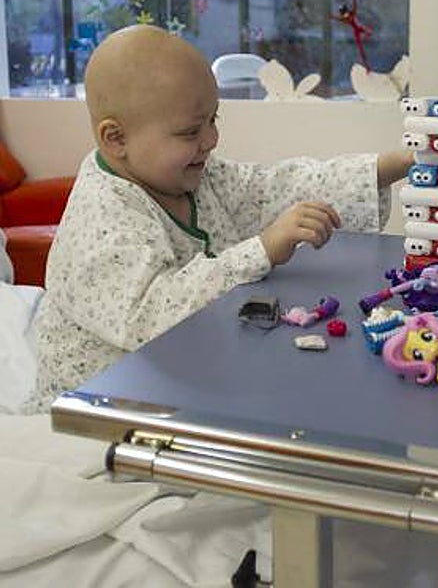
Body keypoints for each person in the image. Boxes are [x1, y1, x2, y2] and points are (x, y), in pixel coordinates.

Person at [30, 25, 413, 411]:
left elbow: (270, 189)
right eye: (191, 131)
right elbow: (152, 316)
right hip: (98, 408)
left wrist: (387, 167)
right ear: (116, 139)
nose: (211, 140)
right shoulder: (101, 221)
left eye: (214, 120)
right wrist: (260, 251)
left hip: (179, 379)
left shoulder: (192, 176)